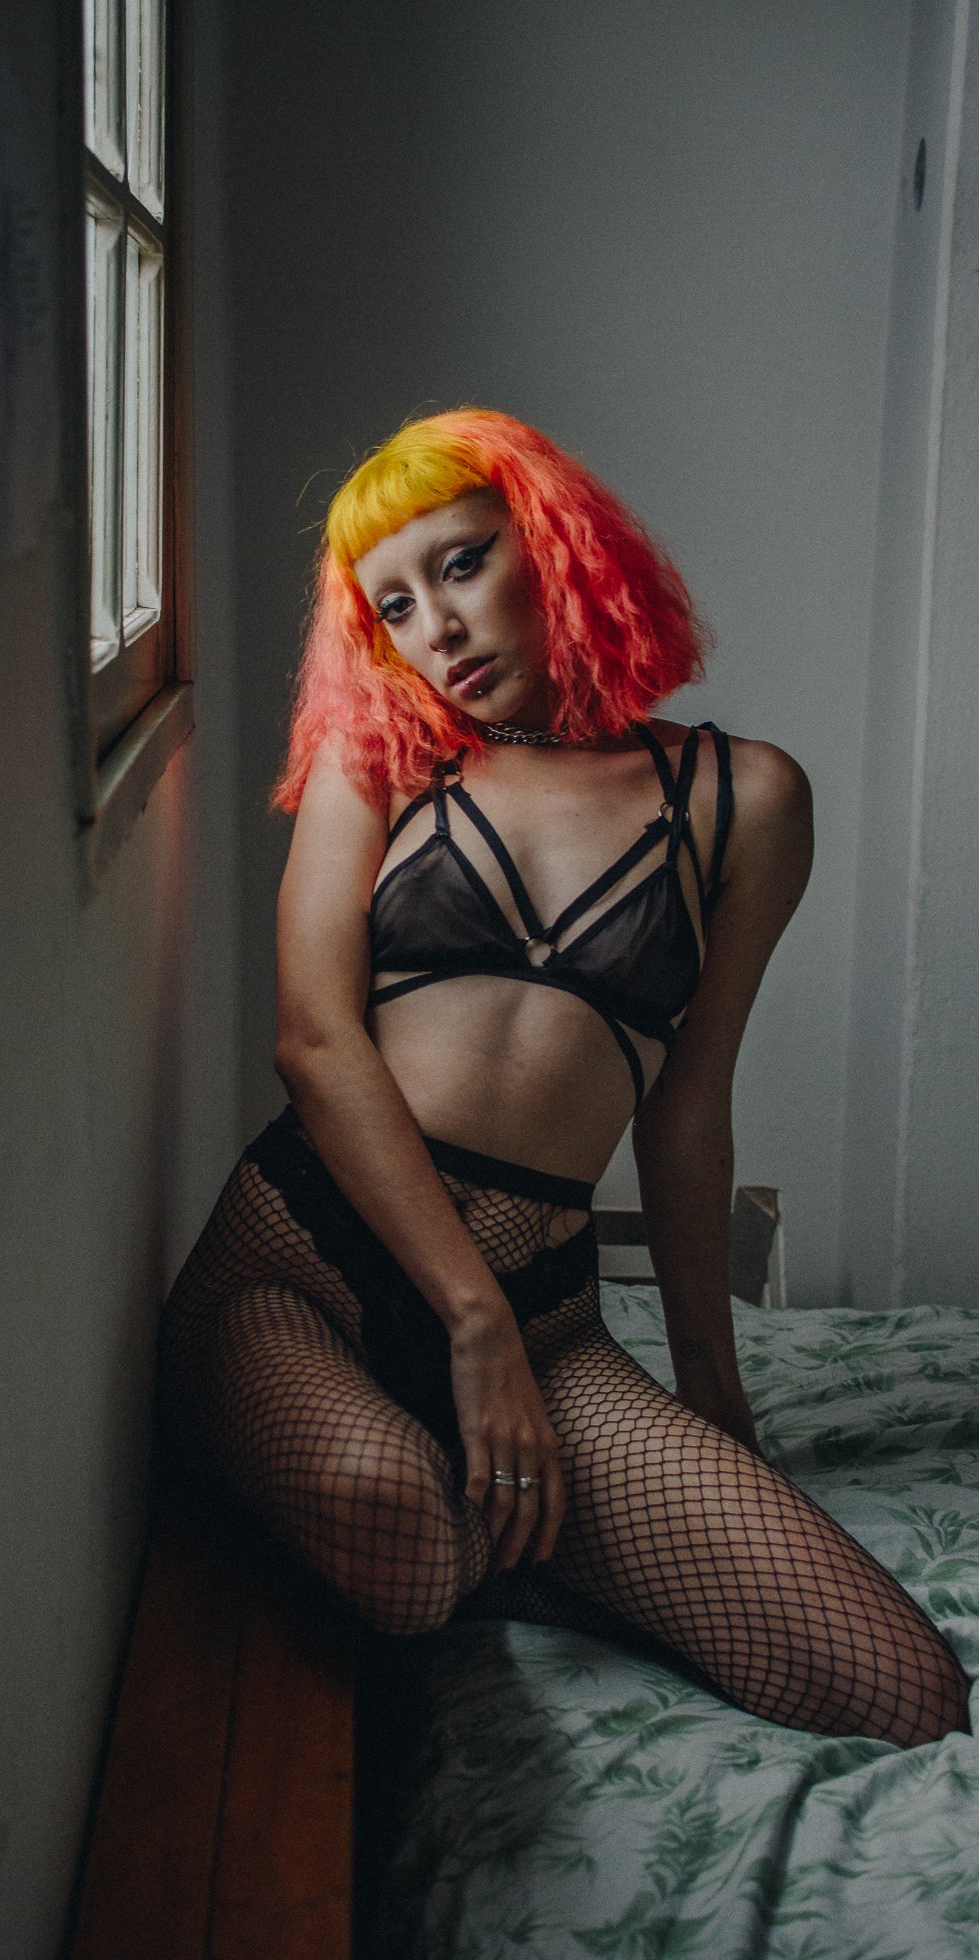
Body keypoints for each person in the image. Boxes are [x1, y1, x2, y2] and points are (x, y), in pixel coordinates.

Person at [159, 407, 970, 1748]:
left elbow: (687, 1113)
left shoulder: (746, 801)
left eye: (462, 563)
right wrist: (472, 1325)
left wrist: (711, 1385)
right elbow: (313, 1042)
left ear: (554, 544)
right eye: (395, 607)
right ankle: (402, 1494)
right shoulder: (385, 760)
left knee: (897, 1686)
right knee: (408, 1547)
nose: (439, 629)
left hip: (544, 1323)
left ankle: (511, 1529)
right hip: (302, 1275)